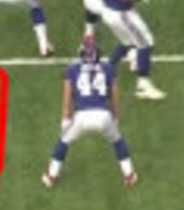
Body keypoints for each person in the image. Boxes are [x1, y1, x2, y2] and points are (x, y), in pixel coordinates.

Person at [42, 37, 138, 187]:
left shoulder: (72, 69)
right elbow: (114, 96)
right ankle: (129, 175)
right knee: (117, 141)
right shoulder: (107, 68)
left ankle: (51, 176)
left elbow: (67, 96)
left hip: (82, 116)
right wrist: (115, 117)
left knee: (63, 141)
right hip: (103, 115)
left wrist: (65, 118)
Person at [100, 0, 166, 100]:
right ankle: (143, 83)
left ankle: (104, 70)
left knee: (127, 42)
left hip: (108, 10)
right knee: (146, 43)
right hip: (121, 12)